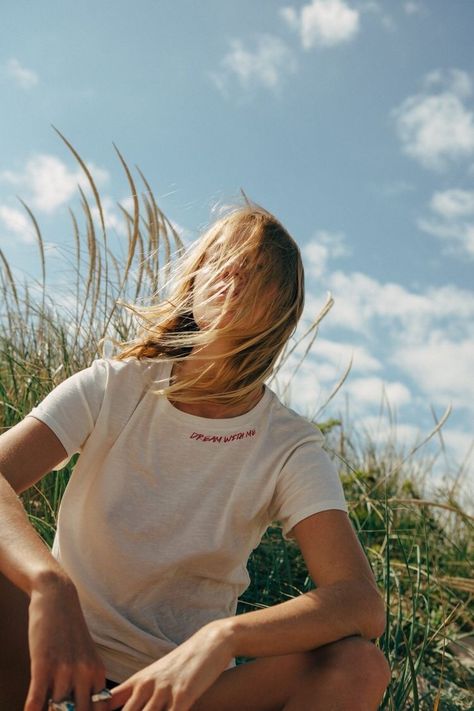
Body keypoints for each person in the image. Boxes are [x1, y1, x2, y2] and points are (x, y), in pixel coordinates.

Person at [0, 203, 391, 711]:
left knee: (359, 666)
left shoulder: (288, 445)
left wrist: (222, 639)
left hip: (180, 697)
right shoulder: (114, 387)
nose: (233, 273)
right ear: (192, 279)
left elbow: (360, 601)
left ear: (281, 309)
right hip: (52, 666)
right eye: (220, 259)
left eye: (259, 267)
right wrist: (48, 584)